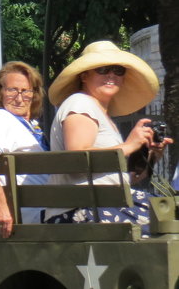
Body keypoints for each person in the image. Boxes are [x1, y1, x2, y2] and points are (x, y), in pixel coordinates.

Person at [46, 40, 171, 233]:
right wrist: (128, 146)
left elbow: (125, 178)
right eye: (103, 69)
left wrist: (150, 155)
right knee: (167, 220)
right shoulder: (80, 104)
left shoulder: (98, 112)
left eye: (118, 70)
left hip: (102, 205)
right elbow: (76, 161)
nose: (111, 75)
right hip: (83, 210)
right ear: (84, 76)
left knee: (168, 215)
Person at [0, 61, 48, 237]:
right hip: (28, 217)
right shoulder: (1, 118)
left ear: (34, 94)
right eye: (12, 90)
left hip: (42, 211)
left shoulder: (31, 125)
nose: (19, 98)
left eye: (26, 91)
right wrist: (1, 207)